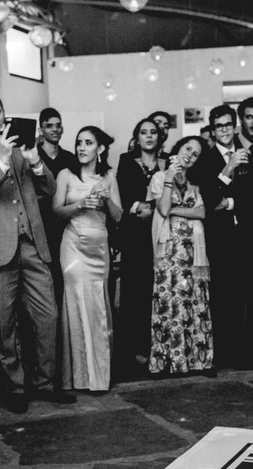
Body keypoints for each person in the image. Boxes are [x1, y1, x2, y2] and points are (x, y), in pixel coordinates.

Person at [0, 89, 74, 412]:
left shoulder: (21, 147)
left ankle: (46, 383)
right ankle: (16, 387)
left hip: (32, 244)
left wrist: (36, 166)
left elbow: (49, 191)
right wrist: (1, 162)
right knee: (4, 324)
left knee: (47, 316)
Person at [52, 126, 122, 391]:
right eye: (79, 142)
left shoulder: (109, 177)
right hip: (72, 245)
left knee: (97, 306)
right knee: (75, 303)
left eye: (88, 143)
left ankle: (99, 376)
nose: (81, 147)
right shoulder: (66, 175)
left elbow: (118, 216)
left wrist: (106, 199)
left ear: (100, 149)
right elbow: (56, 211)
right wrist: (80, 204)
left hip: (99, 247)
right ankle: (77, 376)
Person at [197, 104, 253, 367]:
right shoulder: (207, 159)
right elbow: (209, 200)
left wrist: (229, 203)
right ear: (213, 130)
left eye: (227, 125)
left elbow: (250, 196)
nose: (223, 130)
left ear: (235, 126)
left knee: (244, 293)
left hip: (244, 233)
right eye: (218, 126)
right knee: (221, 295)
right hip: (218, 237)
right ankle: (222, 353)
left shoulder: (247, 156)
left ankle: (243, 351)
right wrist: (227, 170)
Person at [147, 135, 212, 375]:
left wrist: (176, 211)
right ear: (178, 148)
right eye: (187, 149)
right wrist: (168, 179)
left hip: (193, 251)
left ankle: (197, 360)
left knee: (194, 304)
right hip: (169, 252)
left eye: (195, 154)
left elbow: (203, 211)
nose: (190, 155)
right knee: (169, 302)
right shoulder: (159, 177)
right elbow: (162, 208)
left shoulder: (195, 183)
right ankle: (168, 362)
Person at [115, 117, 165, 373]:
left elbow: (172, 192)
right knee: (135, 289)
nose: (149, 136)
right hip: (135, 232)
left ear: (159, 136)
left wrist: (155, 208)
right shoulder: (126, 161)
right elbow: (122, 193)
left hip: (161, 230)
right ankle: (133, 348)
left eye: (153, 132)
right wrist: (139, 207)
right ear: (137, 136)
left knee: (158, 287)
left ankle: (158, 344)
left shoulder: (167, 161)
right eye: (143, 132)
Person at [36, 106, 77, 297]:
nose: (54, 129)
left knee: (65, 276)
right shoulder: (32, 157)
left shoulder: (70, 158)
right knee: (44, 279)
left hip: (65, 223)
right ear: (41, 129)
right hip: (40, 223)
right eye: (49, 126)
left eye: (58, 126)